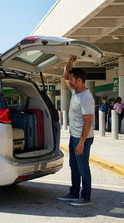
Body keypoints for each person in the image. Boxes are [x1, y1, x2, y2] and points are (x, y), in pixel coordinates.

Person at [57, 56, 94, 206]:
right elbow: (64, 76)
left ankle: (85, 197)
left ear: (79, 80)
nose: (69, 82)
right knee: (74, 165)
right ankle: (74, 193)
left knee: (83, 167)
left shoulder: (85, 97)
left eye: (72, 79)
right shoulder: (75, 92)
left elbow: (88, 122)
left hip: (82, 138)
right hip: (74, 136)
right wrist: (70, 64)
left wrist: (81, 142)